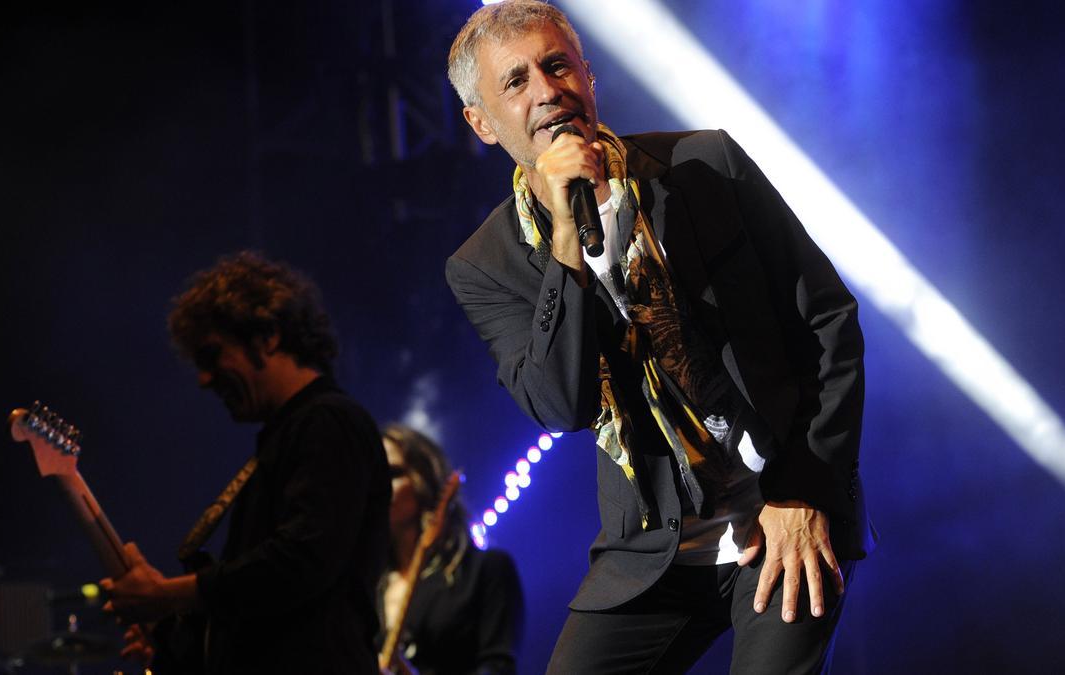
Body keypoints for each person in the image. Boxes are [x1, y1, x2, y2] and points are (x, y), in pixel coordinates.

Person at [443, 2, 875, 673]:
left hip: (784, 507)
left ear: (588, 75)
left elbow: (830, 321)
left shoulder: (705, 165)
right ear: (482, 123)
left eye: (557, 65)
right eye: (516, 81)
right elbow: (563, 405)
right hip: (652, 549)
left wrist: (807, 490)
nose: (547, 90)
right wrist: (565, 245)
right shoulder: (484, 264)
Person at [100, 251, 390, 674]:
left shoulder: (328, 420)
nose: (204, 378)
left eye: (211, 355)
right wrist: (174, 637)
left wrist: (170, 594)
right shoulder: (288, 434)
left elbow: (301, 561)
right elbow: (263, 611)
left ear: (267, 336)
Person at [378, 424, 523, 675]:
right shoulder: (370, 582)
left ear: (423, 479)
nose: (378, 485)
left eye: (392, 473)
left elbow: (497, 666)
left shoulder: (486, 569)